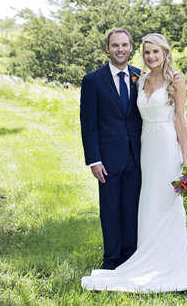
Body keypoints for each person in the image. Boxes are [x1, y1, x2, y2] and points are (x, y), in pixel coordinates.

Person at [81, 33, 187, 292]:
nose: (151, 57)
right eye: (147, 52)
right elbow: (97, 121)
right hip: (144, 150)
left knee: (166, 202)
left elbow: (180, 120)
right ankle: (129, 257)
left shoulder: (174, 79)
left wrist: (185, 157)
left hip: (165, 148)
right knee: (145, 202)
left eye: (156, 52)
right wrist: (94, 158)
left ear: (165, 53)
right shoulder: (138, 79)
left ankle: (165, 261)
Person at [80, 28, 142, 270]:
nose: (120, 50)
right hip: (107, 158)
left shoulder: (140, 77)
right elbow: (88, 123)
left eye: (124, 45)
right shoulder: (93, 80)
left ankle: (130, 256)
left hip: (137, 157)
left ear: (130, 48)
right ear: (107, 49)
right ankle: (112, 258)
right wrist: (94, 159)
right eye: (115, 45)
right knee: (110, 207)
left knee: (132, 206)